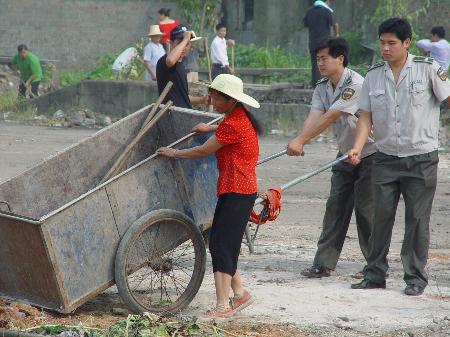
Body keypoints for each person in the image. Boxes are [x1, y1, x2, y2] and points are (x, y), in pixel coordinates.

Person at [348, 18, 450, 296]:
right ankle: (375, 274)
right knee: (379, 217)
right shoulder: (373, 76)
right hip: (384, 157)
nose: (385, 48)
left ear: (407, 43)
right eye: (382, 43)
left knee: (417, 220)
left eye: (391, 43)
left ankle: (415, 277)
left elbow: (448, 98)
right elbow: (365, 116)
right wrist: (358, 146)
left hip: (421, 157)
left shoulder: (428, 69)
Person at [157, 74, 262, 319]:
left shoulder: (234, 123)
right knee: (222, 242)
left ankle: (222, 306)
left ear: (230, 100)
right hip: (235, 189)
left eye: (216, 97)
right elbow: (224, 130)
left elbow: (204, 150)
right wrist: (210, 127)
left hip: (238, 191)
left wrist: (175, 153)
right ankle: (240, 293)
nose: (212, 100)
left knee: (221, 246)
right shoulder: (236, 118)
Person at [287, 37, 376, 279]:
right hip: (344, 154)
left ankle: (374, 266)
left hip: (370, 153)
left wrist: (301, 140)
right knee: (335, 206)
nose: (320, 63)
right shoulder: (322, 86)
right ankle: (323, 263)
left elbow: (330, 116)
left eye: (324, 58)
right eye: (317, 59)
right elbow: (314, 117)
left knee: (366, 210)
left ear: (340, 58)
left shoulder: (355, 84)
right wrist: (300, 139)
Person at [156, 24, 209, 109]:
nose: (184, 47)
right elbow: (170, 61)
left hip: (183, 114)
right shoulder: (164, 61)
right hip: (171, 115)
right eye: (179, 42)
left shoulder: (181, 65)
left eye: (187, 44)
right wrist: (185, 40)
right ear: (171, 43)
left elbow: (183, 97)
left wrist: (202, 100)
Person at [303, 0, 339, 87]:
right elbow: (335, 24)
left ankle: (315, 85)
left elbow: (305, 24)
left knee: (315, 64)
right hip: (324, 43)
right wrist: (337, 35)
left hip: (313, 43)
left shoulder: (309, 11)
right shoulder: (326, 10)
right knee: (325, 62)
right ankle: (325, 84)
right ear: (326, 1)